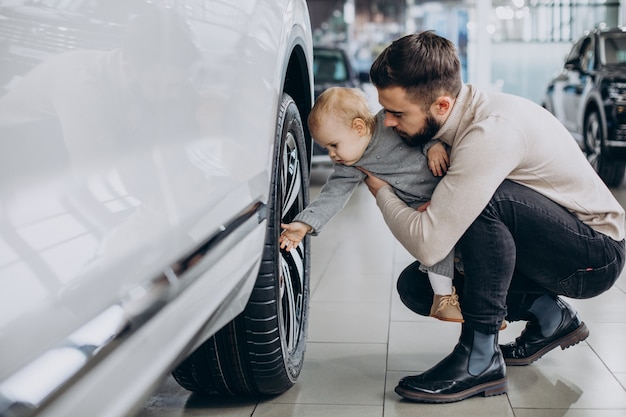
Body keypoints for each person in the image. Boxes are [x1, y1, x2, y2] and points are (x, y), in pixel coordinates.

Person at [360, 31, 625, 404]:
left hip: (594, 257)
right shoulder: (455, 117)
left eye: (397, 113)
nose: (386, 122)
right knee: (419, 288)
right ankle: (549, 314)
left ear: (441, 105)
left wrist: (381, 193)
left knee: (486, 201)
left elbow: (429, 242)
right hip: (554, 243)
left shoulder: (490, 131)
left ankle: (479, 357)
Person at [279, 86, 464, 322]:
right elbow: (332, 194)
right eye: (327, 149)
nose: (332, 155)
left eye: (334, 144)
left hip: (450, 190)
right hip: (424, 210)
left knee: (470, 249)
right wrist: (304, 223)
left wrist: (433, 147)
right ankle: (443, 297)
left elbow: (423, 132)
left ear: (358, 127)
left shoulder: (391, 126)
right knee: (439, 247)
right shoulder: (351, 165)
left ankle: (486, 305)